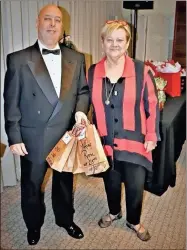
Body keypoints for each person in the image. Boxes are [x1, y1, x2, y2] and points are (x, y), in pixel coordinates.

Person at [4, 4, 89, 245]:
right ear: (37, 23)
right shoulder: (18, 59)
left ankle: (65, 220)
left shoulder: (76, 57)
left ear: (63, 27)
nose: (52, 24)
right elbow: (10, 101)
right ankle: (33, 225)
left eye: (57, 20)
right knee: (32, 186)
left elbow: (83, 91)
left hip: (66, 134)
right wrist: (14, 135)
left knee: (64, 183)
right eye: (47, 19)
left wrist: (81, 113)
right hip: (33, 136)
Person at [87, 20, 160, 241]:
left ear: (127, 43)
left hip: (135, 141)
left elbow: (152, 104)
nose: (114, 44)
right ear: (102, 43)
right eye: (109, 39)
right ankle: (114, 212)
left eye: (120, 40)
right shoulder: (92, 72)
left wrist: (151, 134)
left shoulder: (141, 70)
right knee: (110, 181)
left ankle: (134, 221)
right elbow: (87, 103)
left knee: (135, 185)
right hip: (105, 140)